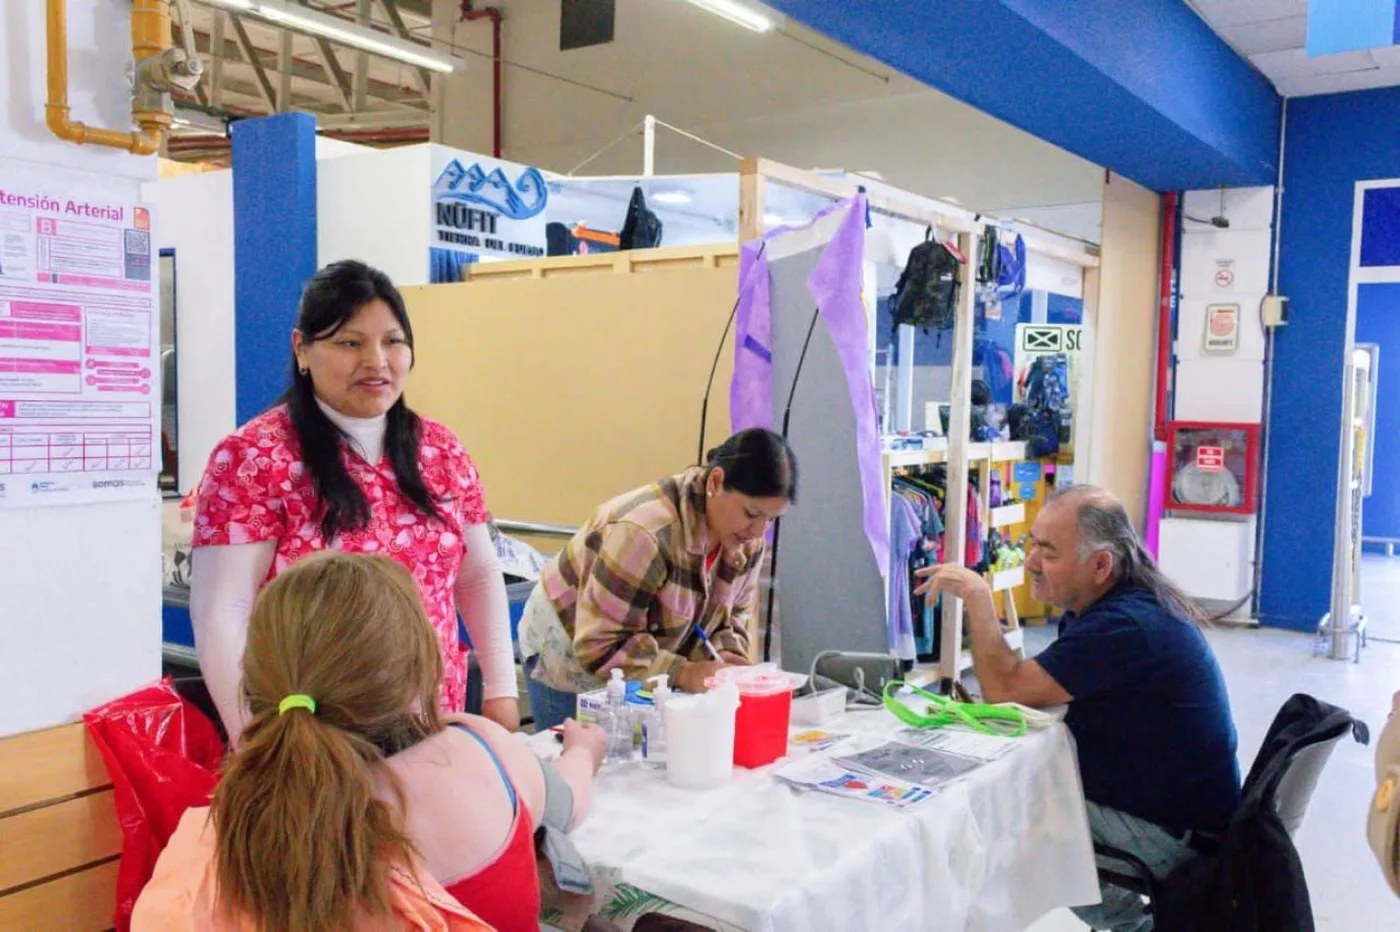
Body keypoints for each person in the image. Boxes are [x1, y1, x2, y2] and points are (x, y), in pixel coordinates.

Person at [133, 551, 606, 932]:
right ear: (421, 670)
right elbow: (565, 804)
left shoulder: (222, 829)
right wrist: (582, 752)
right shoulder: (482, 753)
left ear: (256, 679)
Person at [189, 260, 519, 739]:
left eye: (392, 341)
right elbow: (223, 611)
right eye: (350, 342)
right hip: (317, 740)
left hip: (434, 721)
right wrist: (253, 740)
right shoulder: (253, 458)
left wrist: (502, 692)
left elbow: (478, 573)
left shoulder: (439, 449)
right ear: (302, 349)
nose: (376, 361)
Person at [917, 485, 1239, 932]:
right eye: (1032, 544)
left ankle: (1135, 928)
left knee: (995, 813)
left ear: (1101, 565)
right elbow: (1037, 688)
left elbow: (1006, 689)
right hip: (1185, 816)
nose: (1031, 562)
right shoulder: (1120, 603)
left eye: (1047, 552)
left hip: (1173, 837)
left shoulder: (1124, 626)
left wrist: (978, 598)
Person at [519, 428, 798, 730]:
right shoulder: (645, 533)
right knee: (579, 760)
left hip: (647, 658)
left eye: (771, 520)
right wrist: (687, 674)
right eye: (751, 514)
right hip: (570, 649)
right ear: (715, 482)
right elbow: (600, 645)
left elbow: (731, 618)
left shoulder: (745, 541)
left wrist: (728, 661)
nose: (758, 532)